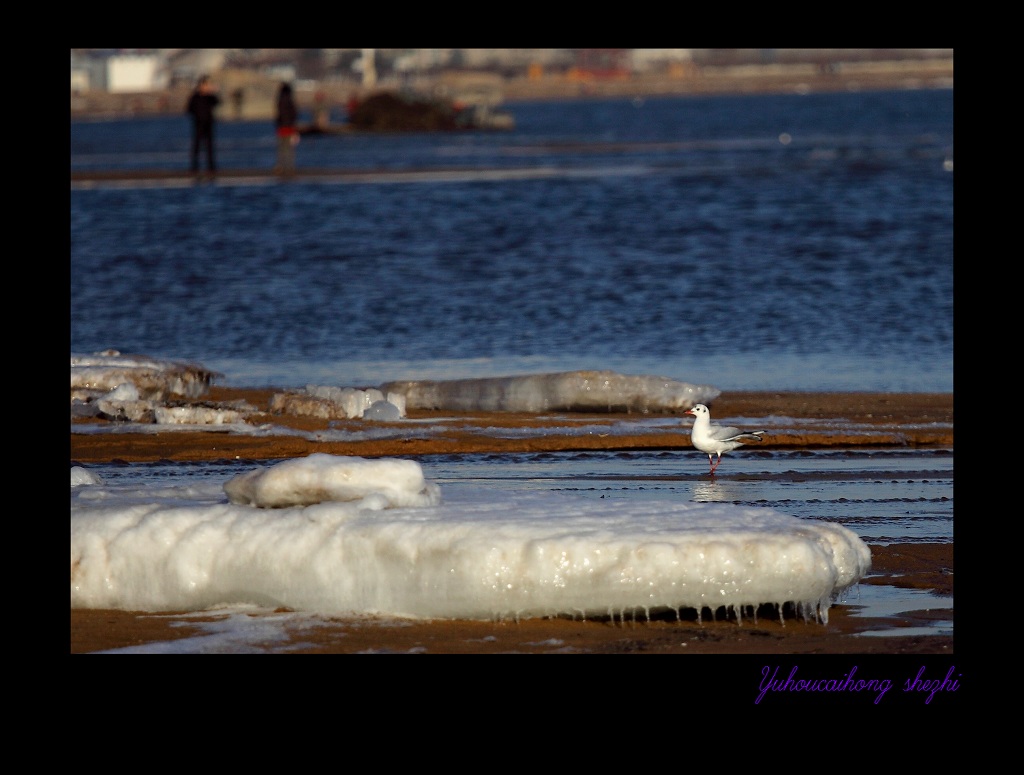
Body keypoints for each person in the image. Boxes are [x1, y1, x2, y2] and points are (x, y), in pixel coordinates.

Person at [186, 75, 220, 176]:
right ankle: (194, 167)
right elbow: (189, 109)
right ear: (200, 85)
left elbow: (218, 102)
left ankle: (211, 168)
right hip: (198, 124)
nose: (206, 87)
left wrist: (213, 92)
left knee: (209, 147)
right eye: (205, 85)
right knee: (196, 146)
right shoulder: (195, 97)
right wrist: (197, 116)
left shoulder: (210, 97)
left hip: (209, 124)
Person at [274, 82, 299, 175]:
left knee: (281, 149)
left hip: (281, 128)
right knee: (289, 149)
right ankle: (289, 167)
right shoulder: (290, 100)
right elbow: (294, 114)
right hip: (289, 128)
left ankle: (280, 167)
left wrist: (278, 124)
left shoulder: (280, 100)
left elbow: (279, 115)